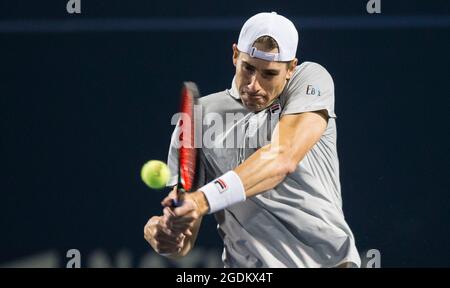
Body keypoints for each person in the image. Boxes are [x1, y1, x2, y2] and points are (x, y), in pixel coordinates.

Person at [144, 12, 361, 268]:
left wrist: (202, 200)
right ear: (235, 55)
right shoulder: (199, 116)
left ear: (291, 68)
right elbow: (185, 231)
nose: (254, 85)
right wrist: (169, 235)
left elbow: (282, 158)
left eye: (269, 74)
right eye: (248, 68)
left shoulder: (310, 80)